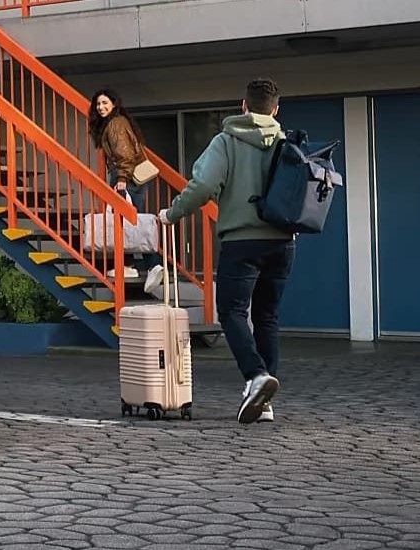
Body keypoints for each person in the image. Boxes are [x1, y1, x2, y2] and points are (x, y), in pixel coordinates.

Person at [158, 78, 290, 424]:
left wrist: (172, 214)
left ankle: (256, 376)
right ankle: (264, 402)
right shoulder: (285, 143)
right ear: (275, 110)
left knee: (231, 312)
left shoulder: (227, 141)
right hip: (283, 241)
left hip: (241, 240)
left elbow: (203, 185)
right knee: (267, 317)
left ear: (243, 105)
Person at [87, 88, 157, 279]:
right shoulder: (116, 122)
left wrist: (121, 179)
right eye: (98, 104)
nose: (101, 107)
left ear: (114, 104)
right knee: (132, 222)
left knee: (130, 223)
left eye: (105, 103)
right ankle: (132, 264)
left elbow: (124, 153)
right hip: (131, 178)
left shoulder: (116, 124)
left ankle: (152, 265)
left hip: (126, 178)